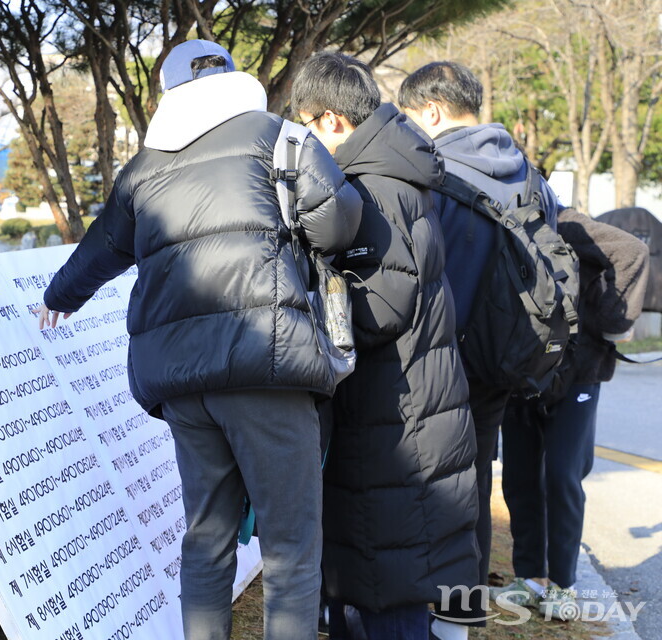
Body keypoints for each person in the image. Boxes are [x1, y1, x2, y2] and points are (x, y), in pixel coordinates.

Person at [37, 40, 363, 640]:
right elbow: (337, 223)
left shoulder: (144, 168)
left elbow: (101, 249)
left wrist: (59, 297)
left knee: (206, 537)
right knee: (292, 546)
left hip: (183, 381)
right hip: (267, 362)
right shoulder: (278, 136)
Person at [291, 52, 479, 640]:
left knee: (386, 593)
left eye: (305, 127)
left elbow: (382, 307)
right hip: (404, 408)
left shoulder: (373, 188)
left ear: (332, 122)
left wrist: (305, 310)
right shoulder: (388, 170)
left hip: (394, 421)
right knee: (384, 580)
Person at [398, 61, 564, 639]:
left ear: (434, 112)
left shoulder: (433, 172)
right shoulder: (529, 172)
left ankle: (417, 616)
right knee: (472, 489)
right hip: (502, 363)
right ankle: (458, 622)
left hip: (436, 362)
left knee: (424, 493)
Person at [494, 207, 649, 619]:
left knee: (562, 475)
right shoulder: (495, 220)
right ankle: (530, 576)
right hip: (520, 371)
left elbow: (632, 251)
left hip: (578, 374)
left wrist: (612, 325)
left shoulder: (567, 224)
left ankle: (564, 584)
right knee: (520, 478)